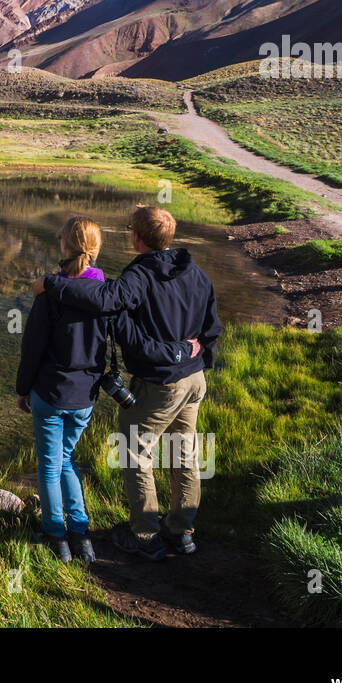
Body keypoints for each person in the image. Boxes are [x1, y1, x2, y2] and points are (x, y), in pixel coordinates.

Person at [33, 204, 222, 561]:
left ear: (136, 237)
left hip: (163, 382)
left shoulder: (140, 276)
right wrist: (192, 357)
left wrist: (53, 284)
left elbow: (107, 300)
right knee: (185, 456)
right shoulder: (196, 273)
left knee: (136, 455)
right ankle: (181, 533)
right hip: (194, 380)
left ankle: (146, 536)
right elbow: (212, 329)